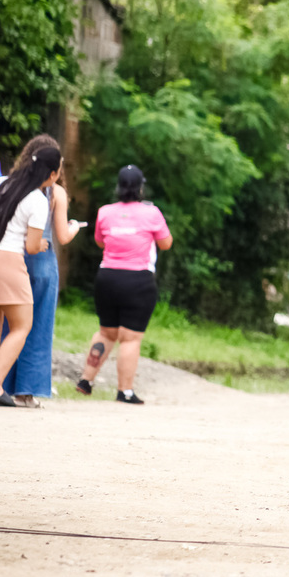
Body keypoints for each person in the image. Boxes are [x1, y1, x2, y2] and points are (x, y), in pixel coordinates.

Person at [0, 147, 62, 407]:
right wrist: (41, 244)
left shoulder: (1, 183)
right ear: (52, 174)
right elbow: (31, 246)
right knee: (22, 326)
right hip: (5, 260)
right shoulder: (38, 199)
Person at [75, 166, 173, 404]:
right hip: (138, 280)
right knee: (130, 338)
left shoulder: (105, 212)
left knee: (106, 332)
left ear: (118, 186)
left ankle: (86, 381)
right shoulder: (151, 213)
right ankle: (125, 391)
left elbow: (100, 242)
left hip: (107, 277)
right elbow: (166, 243)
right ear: (141, 188)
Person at [1, 136, 83, 407]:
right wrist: (74, 226)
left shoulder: (12, 185)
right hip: (43, 262)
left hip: (14, 257)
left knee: (9, 325)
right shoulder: (55, 193)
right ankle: (27, 391)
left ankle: (0, 385)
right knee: (38, 328)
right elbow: (63, 236)